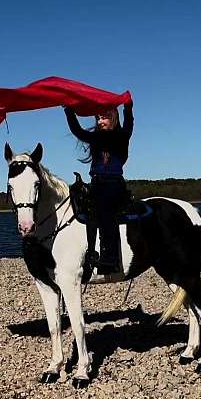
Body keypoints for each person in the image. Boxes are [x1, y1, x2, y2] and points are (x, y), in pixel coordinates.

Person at [64, 102, 134, 274]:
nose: (101, 121)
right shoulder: (95, 137)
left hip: (113, 183)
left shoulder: (122, 136)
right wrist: (68, 110)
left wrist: (127, 108)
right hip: (96, 182)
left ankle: (110, 258)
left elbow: (129, 123)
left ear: (114, 119)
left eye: (105, 117)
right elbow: (77, 131)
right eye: (98, 118)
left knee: (104, 209)